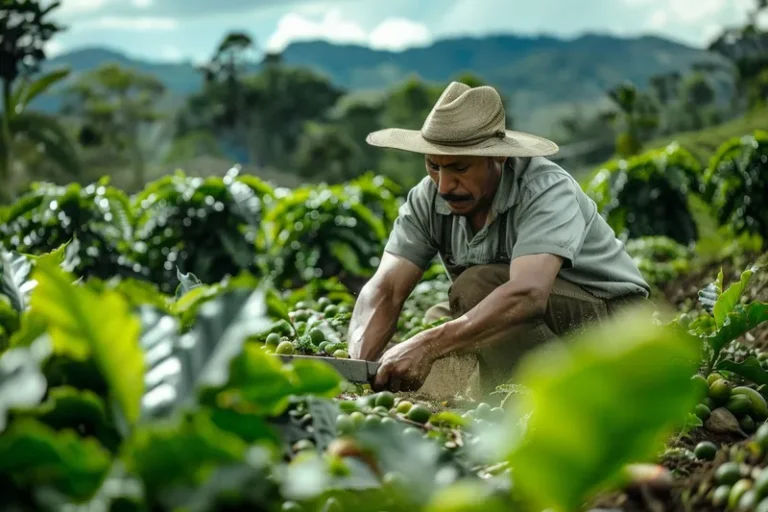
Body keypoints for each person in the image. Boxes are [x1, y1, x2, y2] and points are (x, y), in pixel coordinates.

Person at [346, 81, 651, 397]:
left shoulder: (545, 189)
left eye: (459, 167)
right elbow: (387, 289)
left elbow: (527, 294)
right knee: (438, 319)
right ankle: (483, 396)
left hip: (617, 327)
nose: (444, 185)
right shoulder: (427, 198)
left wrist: (429, 344)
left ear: (500, 157)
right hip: (544, 320)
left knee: (474, 288)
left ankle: (565, 400)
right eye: (433, 166)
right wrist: (356, 364)